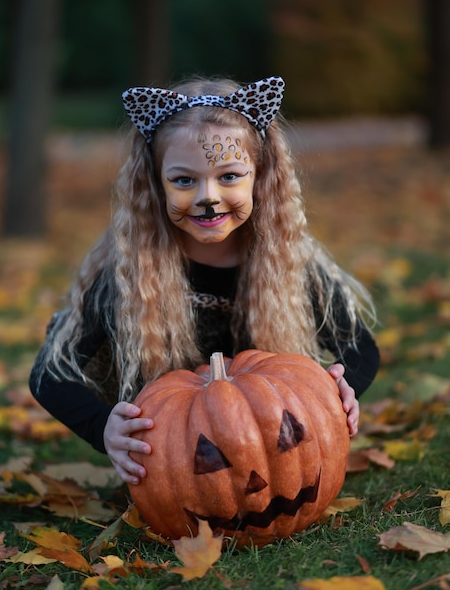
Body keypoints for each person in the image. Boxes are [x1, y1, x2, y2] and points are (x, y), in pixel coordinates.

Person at [30, 76, 380, 486]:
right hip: (180, 464)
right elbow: (49, 375)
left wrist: (336, 390)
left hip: (276, 447)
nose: (207, 197)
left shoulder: (288, 265)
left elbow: (360, 349)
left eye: (229, 176)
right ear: (155, 184)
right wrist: (103, 427)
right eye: (184, 181)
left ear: (261, 175)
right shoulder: (130, 277)